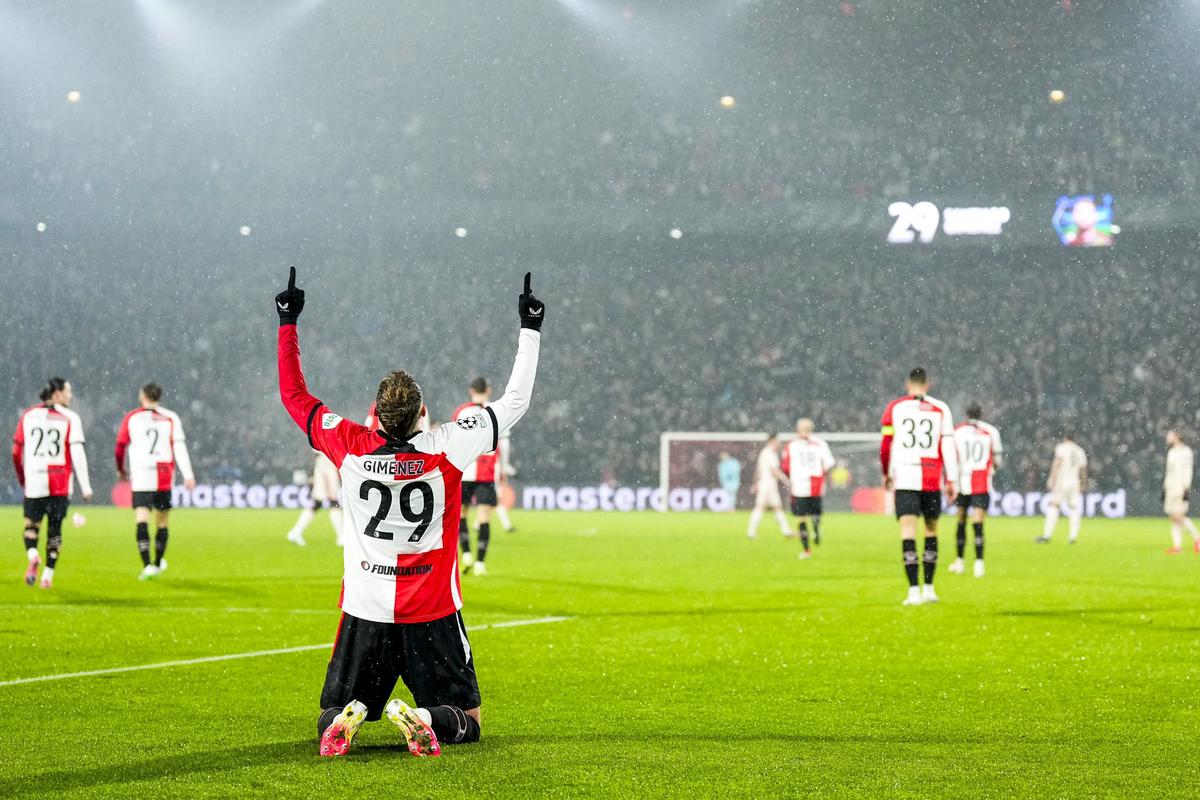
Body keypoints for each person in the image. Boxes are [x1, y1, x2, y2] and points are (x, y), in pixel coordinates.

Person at [274, 267, 544, 758]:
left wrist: (287, 321)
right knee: (469, 722)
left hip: (365, 608)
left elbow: (294, 396)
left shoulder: (350, 446)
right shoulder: (448, 446)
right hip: (433, 610)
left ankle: (347, 719)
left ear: (374, 416)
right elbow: (516, 400)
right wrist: (530, 329)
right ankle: (422, 717)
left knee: (328, 713)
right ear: (424, 414)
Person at [880, 368, 958, 606]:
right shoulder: (941, 408)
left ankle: (913, 591)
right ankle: (930, 588)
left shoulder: (895, 407)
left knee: (907, 533)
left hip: (905, 475)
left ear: (908, 383)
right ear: (928, 384)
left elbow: (886, 445)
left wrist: (886, 471)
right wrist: (951, 479)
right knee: (931, 531)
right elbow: (947, 446)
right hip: (931, 477)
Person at [12, 377, 93, 589]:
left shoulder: (28, 416)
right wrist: (86, 486)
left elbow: (16, 452)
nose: (70, 395)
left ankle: (32, 555)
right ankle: (47, 576)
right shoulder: (71, 418)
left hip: (35, 479)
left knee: (31, 526)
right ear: (56, 394)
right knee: (55, 531)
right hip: (60, 482)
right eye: (68, 391)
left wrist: (22, 477)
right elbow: (77, 453)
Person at [115, 383, 196, 579]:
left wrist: (121, 469)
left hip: (142, 473)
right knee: (162, 522)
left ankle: (147, 565)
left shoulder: (132, 418)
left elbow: (120, 447)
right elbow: (179, 447)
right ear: (159, 397)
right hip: (163, 474)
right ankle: (158, 563)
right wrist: (188, 474)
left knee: (141, 519)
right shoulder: (170, 417)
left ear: (142, 396)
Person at [949, 403, 1003, 578]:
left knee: (961, 520)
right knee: (978, 524)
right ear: (982, 414)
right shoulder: (991, 431)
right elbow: (997, 460)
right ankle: (979, 564)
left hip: (962, 481)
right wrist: (990, 469)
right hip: (981, 482)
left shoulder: (957, 431)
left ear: (966, 414)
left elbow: (952, 458)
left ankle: (960, 562)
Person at [455, 378, 500, 576]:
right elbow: (502, 442)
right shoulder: (496, 411)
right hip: (486, 473)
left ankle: (466, 554)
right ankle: (480, 563)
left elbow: (454, 440)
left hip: (464, 470)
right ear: (488, 390)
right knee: (484, 518)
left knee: (461, 515)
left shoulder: (462, 411)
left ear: (470, 390)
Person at [782, 419, 835, 558]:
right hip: (816, 484)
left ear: (797, 429)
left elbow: (785, 467)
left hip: (799, 485)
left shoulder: (791, 445)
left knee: (801, 518)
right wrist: (823, 475)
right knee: (815, 513)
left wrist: (793, 475)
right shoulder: (820, 443)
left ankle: (806, 550)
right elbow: (829, 463)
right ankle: (816, 527)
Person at [1035, 434, 1088, 544]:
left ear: (1065, 439)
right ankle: (1072, 537)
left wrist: (1051, 479)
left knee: (1054, 506)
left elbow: (1057, 464)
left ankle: (1046, 535)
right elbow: (1083, 469)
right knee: (1073, 508)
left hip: (1062, 481)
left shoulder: (1062, 448)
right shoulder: (1080, 451)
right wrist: (1084, 483)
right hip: (1075, 482)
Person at [285, 451, 344, 547]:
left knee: (318, 502)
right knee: (332, 501)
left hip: (326, 459)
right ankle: (341, 537)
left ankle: (295, 532)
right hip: (327, 459)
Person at [746, 434, 790, 540]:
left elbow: (758, 470)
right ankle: (751, 531)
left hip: (767, 484)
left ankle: (786, 531)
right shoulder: (769, 453)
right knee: (761, 507)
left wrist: (755, 483)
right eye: (777, 441)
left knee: (776, 507)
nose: (779, 443)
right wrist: (786, 481)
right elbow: (775, 471)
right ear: (772, 441)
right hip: (767, 485)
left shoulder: (765, 453)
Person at [1162, 430, 1197, 554]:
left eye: (1169, 435)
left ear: (1177, 437)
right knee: (1173, 517)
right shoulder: (1171, 452)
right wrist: (1165, 487)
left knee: (1178, 516)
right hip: (1170, 488)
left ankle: (1197, 538)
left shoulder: (1186, 452)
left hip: (1180, 488)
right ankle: (1177, 547)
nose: (1167, 437)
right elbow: (1169, 472)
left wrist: (1186, 487)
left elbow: (1188, 470)